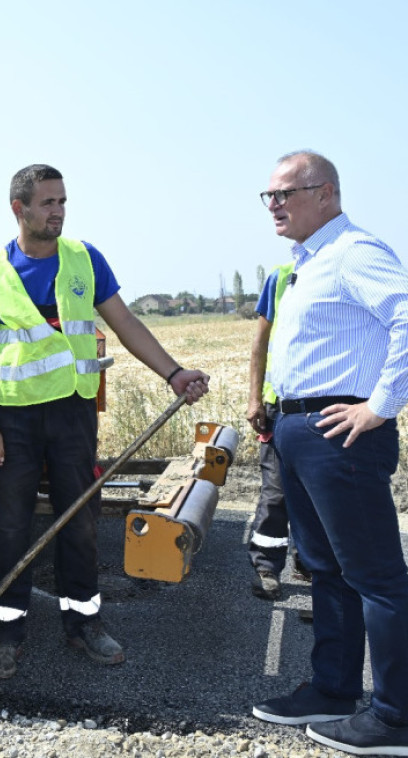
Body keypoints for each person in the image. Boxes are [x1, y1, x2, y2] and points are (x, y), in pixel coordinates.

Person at [0, 164, 209, 680]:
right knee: (10, 529)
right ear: (20, 209)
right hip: (14, 420)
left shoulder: (84, 258)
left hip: (73, 415)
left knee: (78, 522)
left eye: (62, 202)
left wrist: (172, 373)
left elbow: (124, 323)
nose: (58, 211)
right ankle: (5, 634)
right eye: (48, 202)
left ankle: (84, 625)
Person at [250, 151, 408, 755]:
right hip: (298, 430)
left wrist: (381, 406)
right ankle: (334, 689)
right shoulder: (306, 264)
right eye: (268, 196)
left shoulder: (355, 252)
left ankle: (395, 717)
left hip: (341, 433)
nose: (275, 205)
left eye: (287, 193)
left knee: (376, 576)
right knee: (326, 569)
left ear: (328, 194)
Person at [245, 262, 310, 601]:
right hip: (279, 408)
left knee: (315, 493)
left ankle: (308, 562)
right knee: (277, 493)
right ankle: (266, 568)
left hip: (323, 409)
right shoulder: (281, 277)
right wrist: (255, 399)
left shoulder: (342, 270)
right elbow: (261, 343)